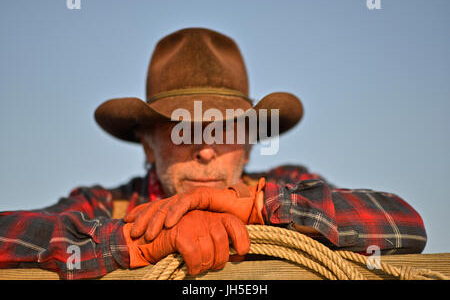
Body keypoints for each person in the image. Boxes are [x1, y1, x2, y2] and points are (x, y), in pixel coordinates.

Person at [0, 28, 427, 280]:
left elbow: (404, 222)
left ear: (249, 142)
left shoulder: (289, 192)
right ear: (148, 141)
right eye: (182, 128)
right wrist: (132, 241)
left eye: (224, 129)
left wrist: (258, 208)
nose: (205, 150)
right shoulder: (102, 207)